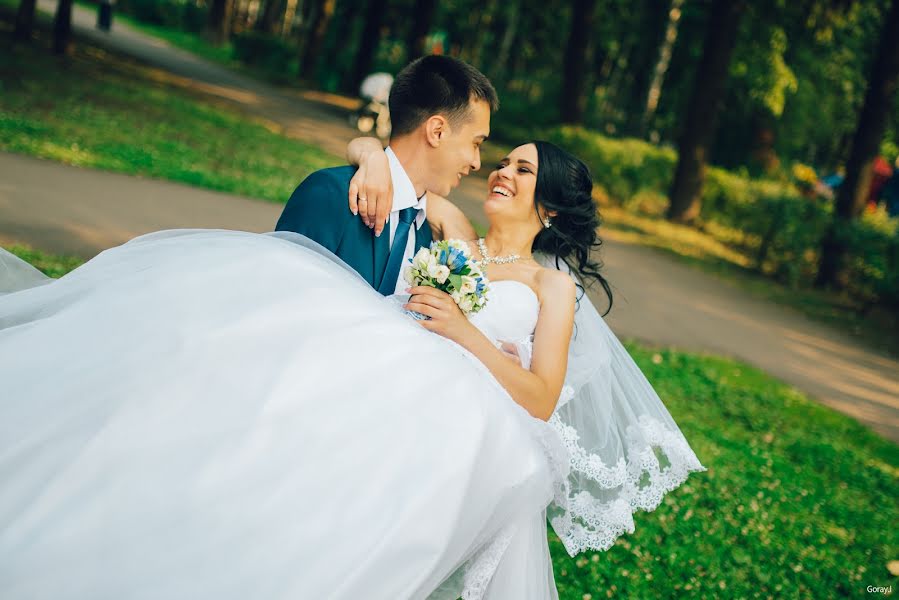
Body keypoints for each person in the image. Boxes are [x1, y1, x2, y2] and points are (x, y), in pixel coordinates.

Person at [0, 137, 705, 598]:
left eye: (521, 169)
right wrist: (368, 154)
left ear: (546, 204)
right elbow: (397, 161)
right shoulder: (452, 227)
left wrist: (465, 333)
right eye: (501, 160)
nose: (499, 171)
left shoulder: (553, 288)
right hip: (378, 364)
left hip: (452, 407)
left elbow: (541, 397)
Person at [276, 54, 495, 296]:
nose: (476, 163)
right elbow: (281, 298)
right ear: (437, 131)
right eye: (476, 143)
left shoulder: (425, 231)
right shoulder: (331, 194)